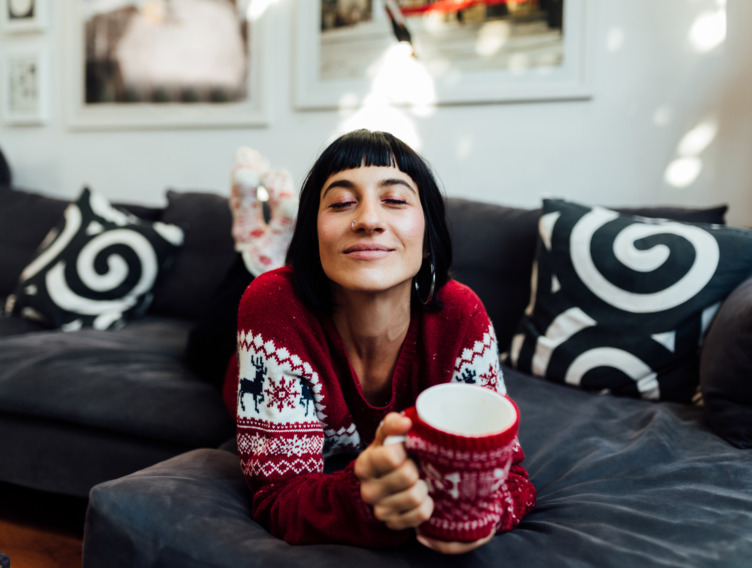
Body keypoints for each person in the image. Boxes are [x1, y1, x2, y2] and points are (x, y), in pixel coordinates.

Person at [224, 129, 536, 554]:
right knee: (224, 315)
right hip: (236, 356)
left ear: (428, 238)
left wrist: (473, 516)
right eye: (340, 202)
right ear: (314, 237)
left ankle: (262, 243)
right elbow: (278, 497)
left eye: (395, 200)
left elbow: (513, 482)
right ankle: (257, 243)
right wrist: (362, 498)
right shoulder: (273, 306)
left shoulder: (462, 315)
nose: (369, 219)